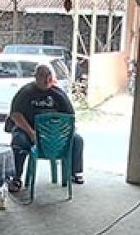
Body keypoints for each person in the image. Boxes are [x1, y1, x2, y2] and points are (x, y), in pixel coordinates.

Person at [5, 63, 84, 192]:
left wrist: (63, 132)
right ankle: (16, 177)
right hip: (29, 130)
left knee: (77, 139)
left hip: (54, 133)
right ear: (35, 77)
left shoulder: (58, 94)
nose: (46, 79)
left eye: (49, 76)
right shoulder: (26, 92)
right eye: (42, 75)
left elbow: (70, 116)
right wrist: (31, 133)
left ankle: (75, 172)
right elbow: (15, 114)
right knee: (19, 140)